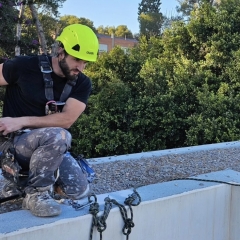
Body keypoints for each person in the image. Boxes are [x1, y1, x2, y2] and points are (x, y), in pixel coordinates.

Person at [0, 24, 99, 217]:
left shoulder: (82, 83)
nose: (81, 67)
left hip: (48, 145)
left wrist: (20, 121)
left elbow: (67, 120)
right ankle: (36, 194)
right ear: (61, 51)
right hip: (12, 145)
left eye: (85, 62)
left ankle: (22, 184)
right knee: (58, 136)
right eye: (77, 59)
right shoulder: (23, 66)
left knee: (79, 191)